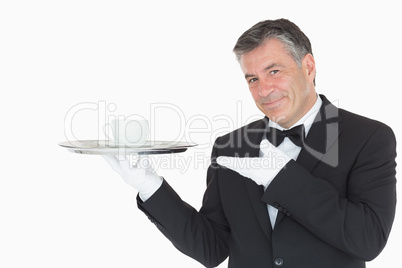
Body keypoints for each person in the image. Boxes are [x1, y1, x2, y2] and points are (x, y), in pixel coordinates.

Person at [103, 18, 397, 268]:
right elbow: (212, 248)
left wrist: (283, 179)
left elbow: (368, 240)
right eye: (252, 79)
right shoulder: (230, 146)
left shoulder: (369, 137)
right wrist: (151, 187)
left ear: (308, 67)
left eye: (274, 71)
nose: (264, 90)